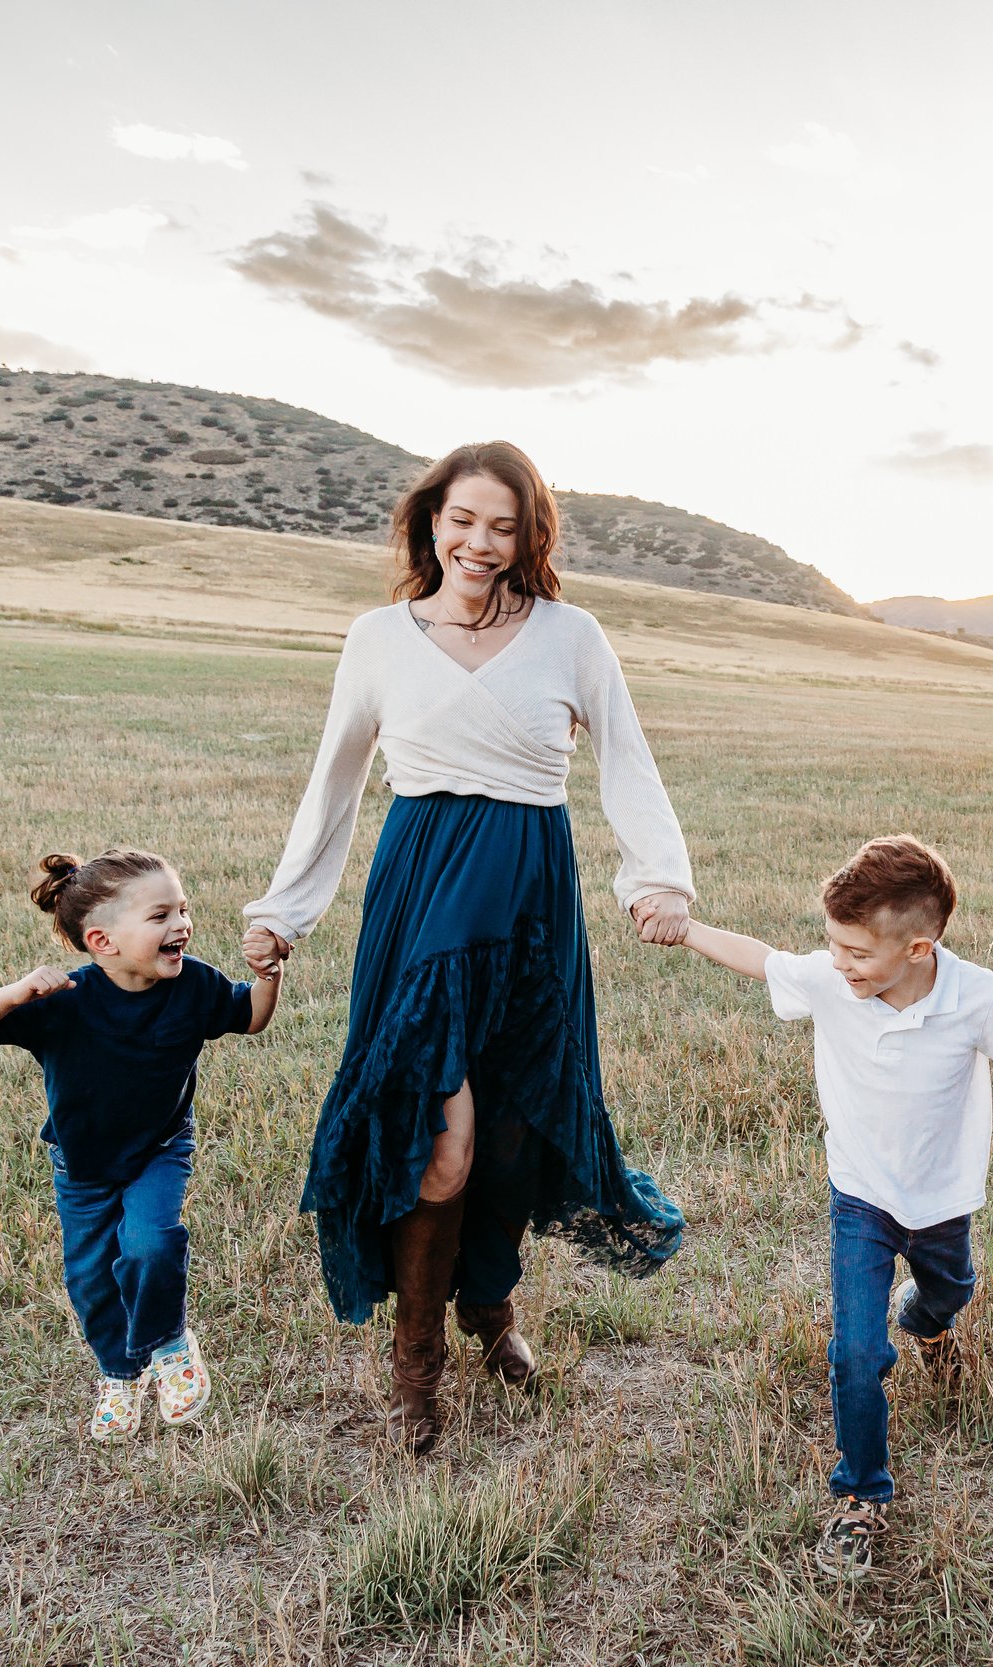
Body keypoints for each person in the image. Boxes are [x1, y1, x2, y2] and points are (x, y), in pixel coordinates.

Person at [241, 440, 691, 1453]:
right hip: (424, 890)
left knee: (514, 1127)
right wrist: (286, 908)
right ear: (429, 520)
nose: (480, 543)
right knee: (437, 1140)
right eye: (462, 519)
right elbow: (336, 784)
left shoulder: (570, 634)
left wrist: (656, 877)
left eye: (504, 525)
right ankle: (417, 1358)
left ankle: (490, 1305)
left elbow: (628, 760)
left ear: (531, 534)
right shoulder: (377, 637)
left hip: (533, 891)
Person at [672, 835, 993, 1578]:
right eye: (834, 944)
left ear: (920, 947)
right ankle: (861, 1493)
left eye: (857, 952)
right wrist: (684, 926)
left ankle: (928, 1321)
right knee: (857, 1353)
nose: (840, 962)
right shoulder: (834, 981)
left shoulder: (977, 994)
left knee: (950, 1290)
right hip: (860, 1197)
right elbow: (762, 957)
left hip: (942, 1201)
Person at [0, 848, 281, 1442]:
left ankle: (170, 1343)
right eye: (160, 917)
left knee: (150, 1244)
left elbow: (249, 1018)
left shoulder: (193, 983)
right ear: (102, 940)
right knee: (93, 1279)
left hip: (159, 1149)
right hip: (84, 1168)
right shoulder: (64, 1002)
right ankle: (120, 1373)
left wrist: (268, 976)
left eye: (183, 910)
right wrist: (15, 992)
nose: (181, 925)